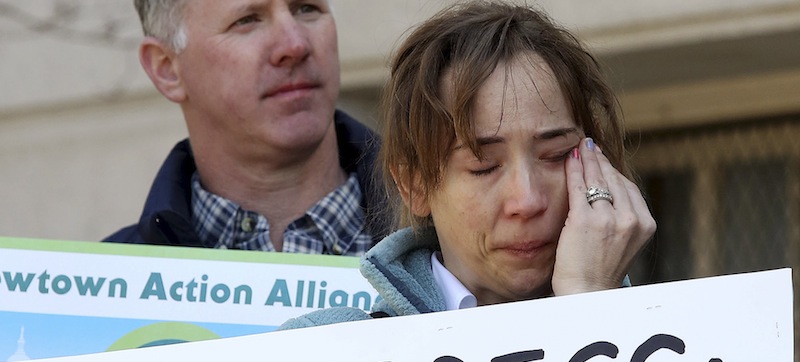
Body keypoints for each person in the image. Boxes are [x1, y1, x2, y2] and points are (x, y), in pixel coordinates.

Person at [280, 0, 655, 329]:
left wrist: (589, 308)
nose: (526, 201)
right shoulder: (320, 351)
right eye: (483, 165)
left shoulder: (675, 342)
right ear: (414, 185)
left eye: (556, 156)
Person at [106, 0, 388, 254]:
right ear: (166, 68)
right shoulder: (105, 293)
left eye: (306, 8)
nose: (295, 45)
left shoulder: (429, 243)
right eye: (247, 20)